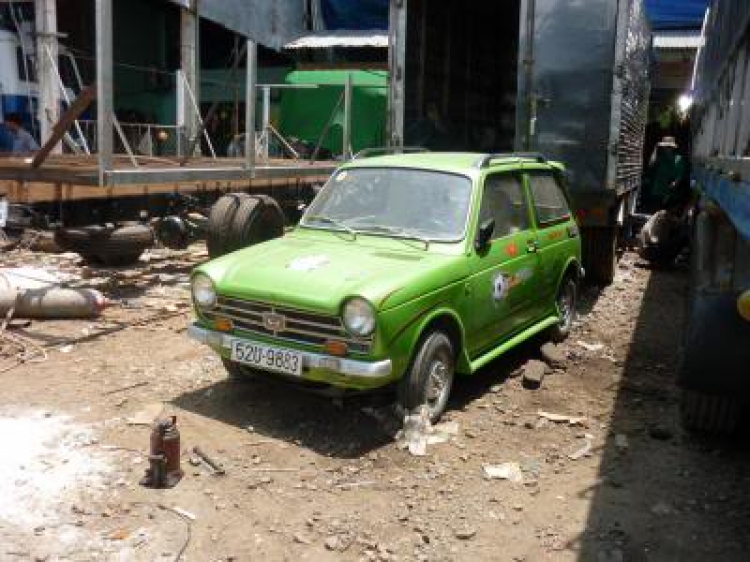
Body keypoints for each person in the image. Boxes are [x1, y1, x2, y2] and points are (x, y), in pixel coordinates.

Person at [642, 136, 687, 213]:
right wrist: (655, 148)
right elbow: (651, 164)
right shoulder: (660, 158)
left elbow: (680, 174)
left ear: (673, 148)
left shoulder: (679, 159)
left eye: (669, 147)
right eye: (665, 147)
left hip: (671, 193)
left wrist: (675, 182)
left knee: (667, 215)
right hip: (657, 191)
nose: (667, 149)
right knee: (656, 214)